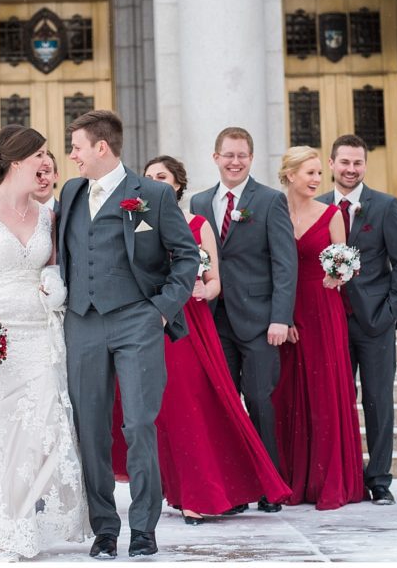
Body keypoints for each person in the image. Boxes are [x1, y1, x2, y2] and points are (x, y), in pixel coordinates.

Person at [110, 156, 292, 525]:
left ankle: (198, 493)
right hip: (145, 325)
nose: (153, 183)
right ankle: (167, 489)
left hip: (188, 328)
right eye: (148, 178)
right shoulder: (135, 225)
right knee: (156, 411)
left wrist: (199, 290)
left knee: (191, 408)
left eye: (161, 177)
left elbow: (215, 284)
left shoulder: (197, 224)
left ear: (177, 185)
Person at [58, 110, 199, 559]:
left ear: (102, 147)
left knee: (138, 424)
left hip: (137, 320)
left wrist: (160, 310)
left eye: (77, 146)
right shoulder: (72, 191)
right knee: (91, 430)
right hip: (82, 322)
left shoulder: (153, 195)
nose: (72, 155)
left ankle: (143, 527)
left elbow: (186, 257)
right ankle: (104, 528)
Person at [0, 125, 89, 561]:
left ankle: (23, 514)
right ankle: (9, 526)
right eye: (40, 154)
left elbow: (54, 270)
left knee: (45, 434)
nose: (47, 162)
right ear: (16, 160)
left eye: (48, 154)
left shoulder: (48, 215)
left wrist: (53, 286)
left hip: (40, 338)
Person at [189, 127, 296, 514]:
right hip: (214, 322)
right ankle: (232, 488)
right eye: (228, 155)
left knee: (259, 399)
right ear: (215, 157)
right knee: (223, 404)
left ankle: (270, 484)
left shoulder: (269, 201)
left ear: (252, 159)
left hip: (260, 322)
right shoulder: (200, 201)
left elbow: (285, 263)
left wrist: (280, 317)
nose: (235, 162)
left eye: (242, 156)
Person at [317, 135, 397, 505]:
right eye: (344, 162)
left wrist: (392, 313)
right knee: (338, 400)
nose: (351, 169)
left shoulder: (386, 206)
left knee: (378, 400)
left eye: (358, 163)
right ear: (331, 163)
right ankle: (344, 476)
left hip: (375, 322)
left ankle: (380, 480)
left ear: (365, 165)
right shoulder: (319, 207)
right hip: (331, 321)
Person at [270, 147, 364, 510]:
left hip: (323, 309)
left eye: (317, 174)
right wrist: (283, 315)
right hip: (285, 309)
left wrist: (337, 275)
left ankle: (329, 479)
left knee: (325, 392)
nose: (315, 180)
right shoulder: (272, 210)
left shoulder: (331, 213)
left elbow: (345, 261)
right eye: (308, 173)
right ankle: (292, 477)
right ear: (290, 175)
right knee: (287, 393)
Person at [35, 149, 60, 217]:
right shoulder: (15, 215)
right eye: (37, 172)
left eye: (46, 171)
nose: (42, 177)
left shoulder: (68, 215)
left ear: (56, 176)